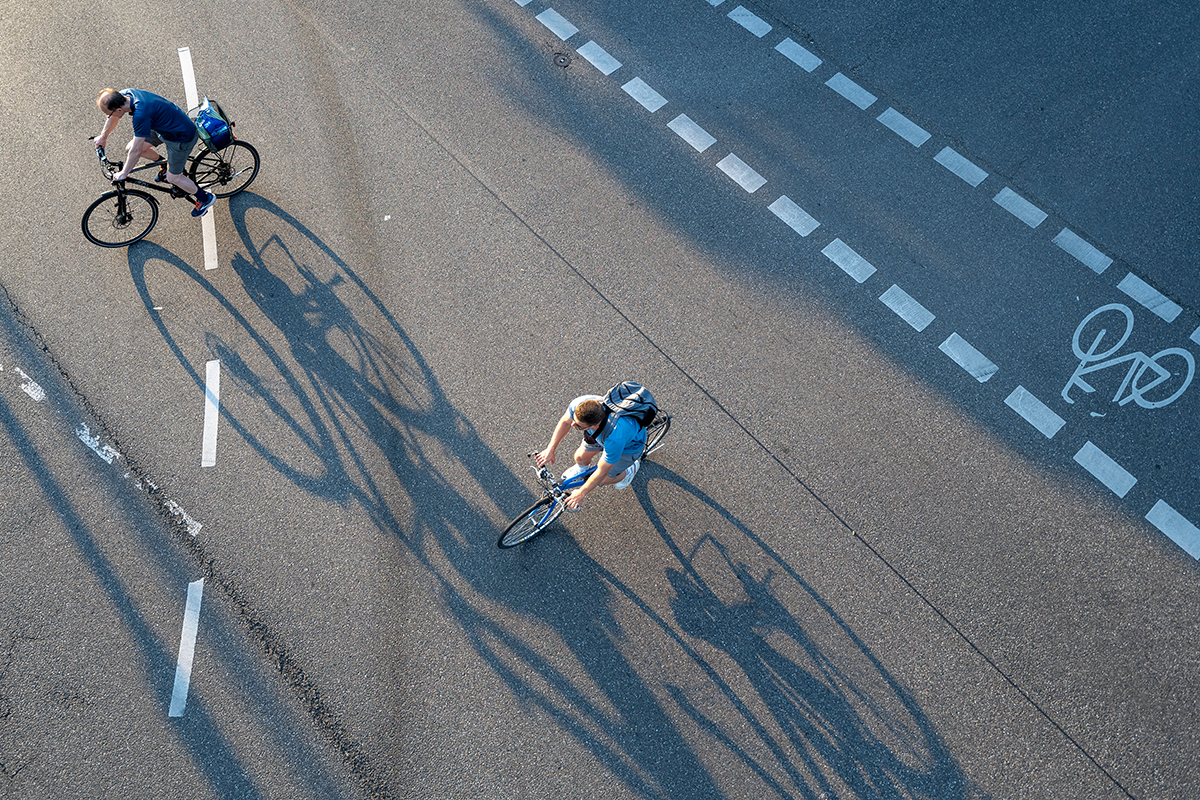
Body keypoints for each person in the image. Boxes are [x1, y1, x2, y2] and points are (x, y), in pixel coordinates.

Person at [94, 88, 215, 218]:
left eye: (108, 114)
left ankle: (204, 198)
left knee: (173, 178)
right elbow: (116, 122)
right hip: (163, 126)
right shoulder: (126, 94)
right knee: (129, 148)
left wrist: (124, 173)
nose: (109, 117)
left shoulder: (140, 115)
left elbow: (137, 150)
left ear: (118, 110)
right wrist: (103, 137)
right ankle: (164, 164)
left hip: (181, 137)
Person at [535, 393, 647, 511]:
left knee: (603, 479)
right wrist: (550, 449)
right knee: (580, 457)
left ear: (595, 425)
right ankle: (581, 470)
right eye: (575, 420)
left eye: (578, 426)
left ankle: (629, 471)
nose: (573, 425)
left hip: (627, 446)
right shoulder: (581, 405)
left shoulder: (615, 438)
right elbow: (565, 422)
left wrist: (581, 493)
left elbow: (602, 471)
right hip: (599, 435)